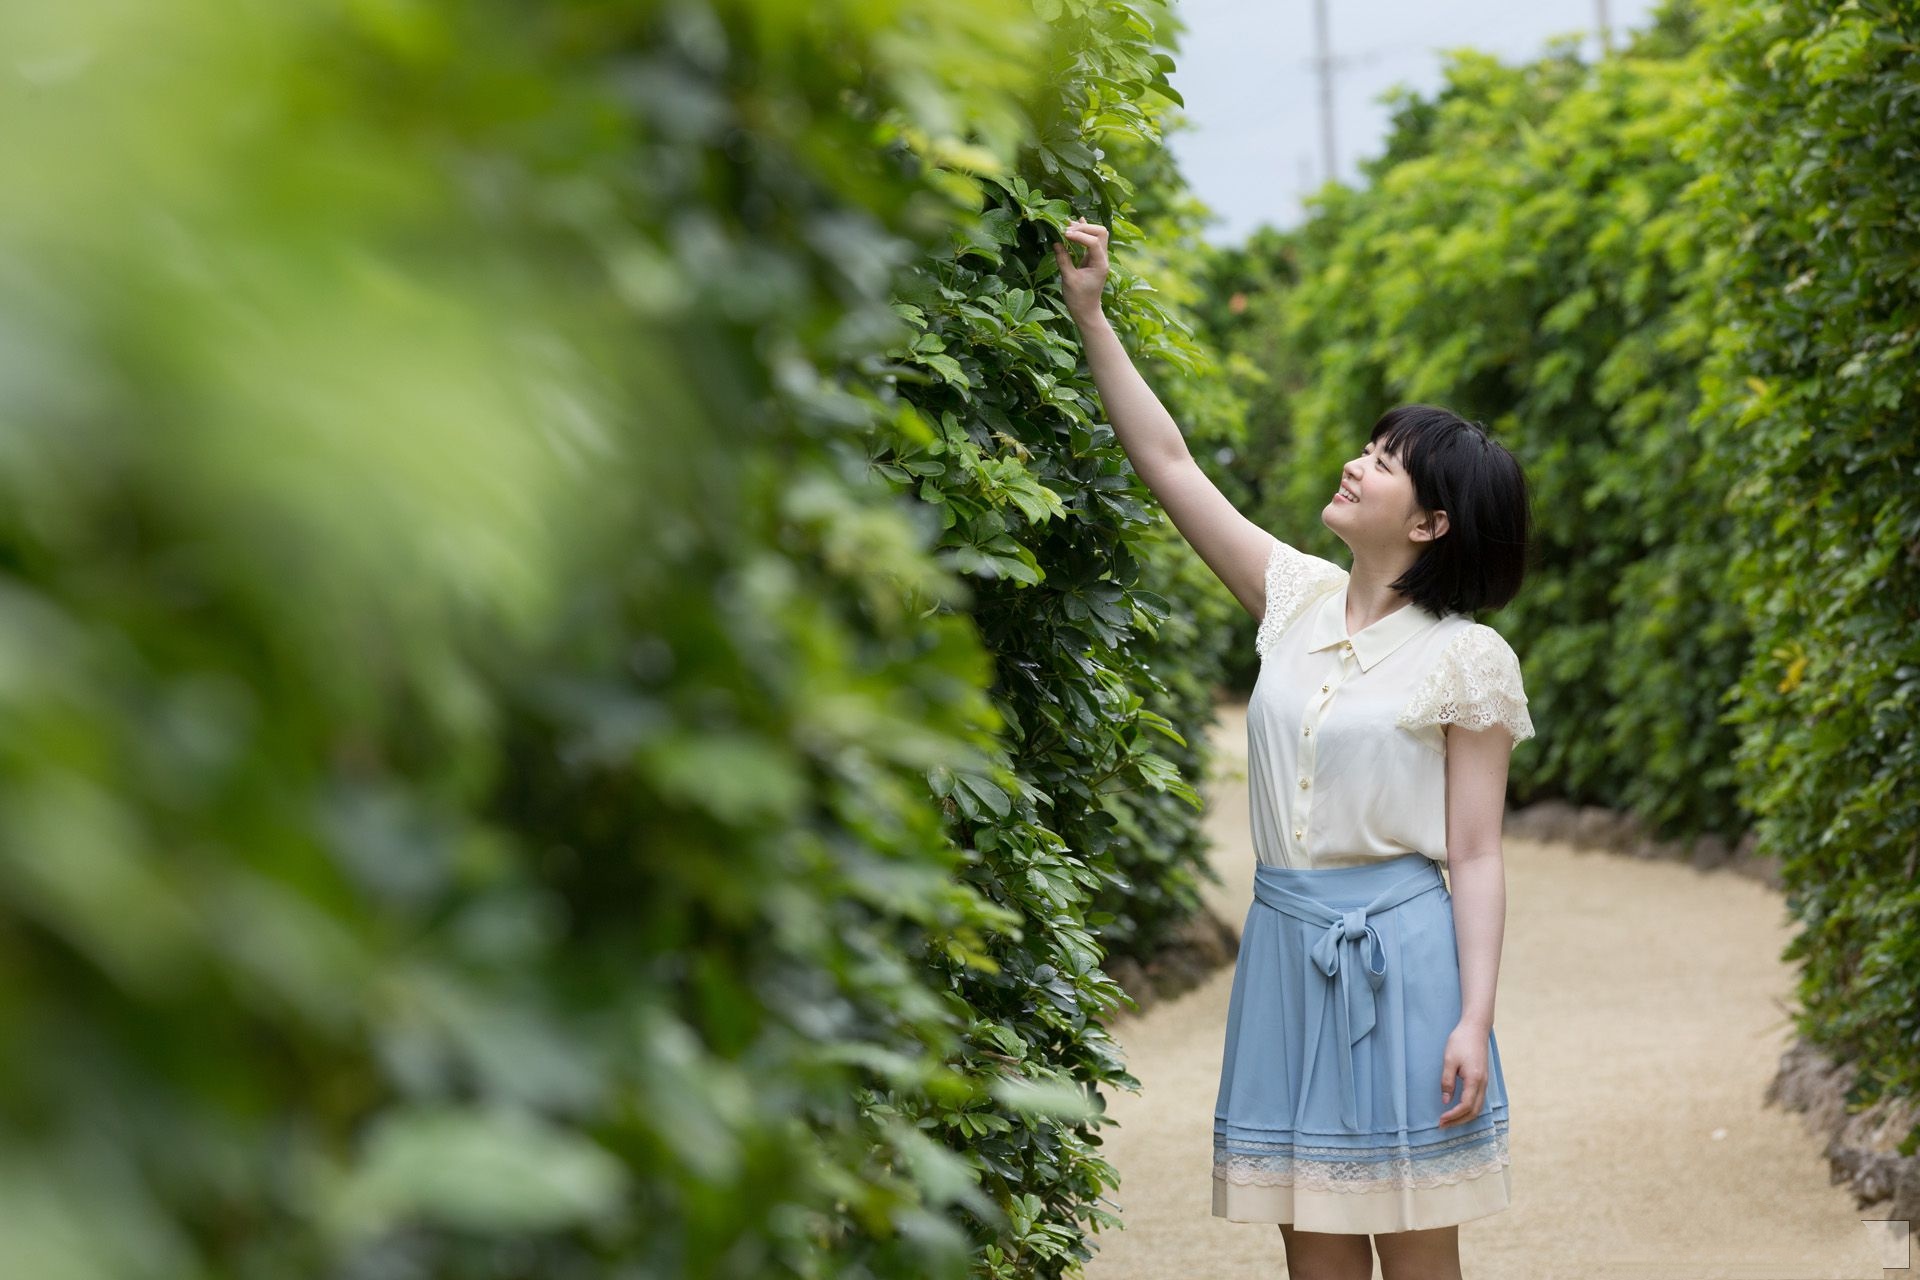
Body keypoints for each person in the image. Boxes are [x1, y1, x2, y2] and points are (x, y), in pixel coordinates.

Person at [1054, 219, 1534, 1280]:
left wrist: (1475, 1015)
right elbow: (1168, 461)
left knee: (1414, 1246)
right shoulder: (1292, 600)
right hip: (1283, 949)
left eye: (1384, 462)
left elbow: (1479, 852)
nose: (1356, 465)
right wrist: (1092, 315)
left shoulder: (1470, 658)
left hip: (1405, 963)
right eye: (1367, 447)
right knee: (1312, 1250)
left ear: (1433, 524)